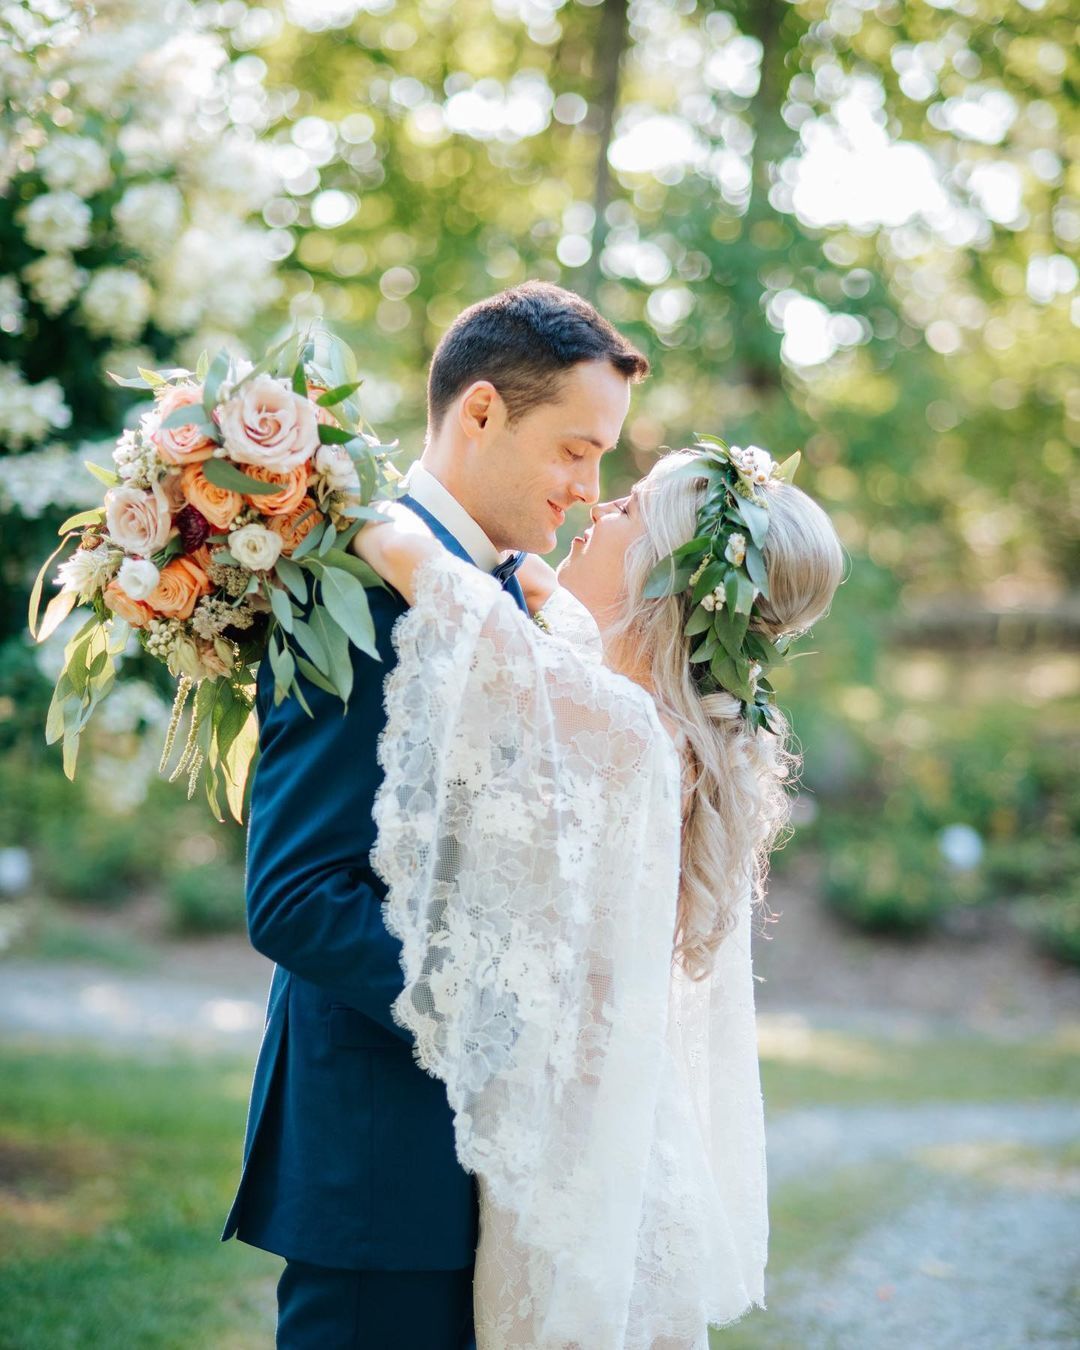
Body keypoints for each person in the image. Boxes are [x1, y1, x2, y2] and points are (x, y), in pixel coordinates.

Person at [221, 281, 649, 1349]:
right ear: (483, 412)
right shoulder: (356, 583)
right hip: (383, 1169)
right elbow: (298, 899)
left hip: (490, 1173)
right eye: (576, 451)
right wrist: (505, 1027)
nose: (590, 490)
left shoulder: (507, 597)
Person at [350, 443, 845, 1347]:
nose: (597, 508)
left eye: (629, 510)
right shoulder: (666, 716)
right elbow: (553, 616)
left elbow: (451, 595)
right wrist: (527, 567)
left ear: (667, 573)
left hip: (577, 1172)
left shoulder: (620, 728)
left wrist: (334, 497)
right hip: (620, 1140)